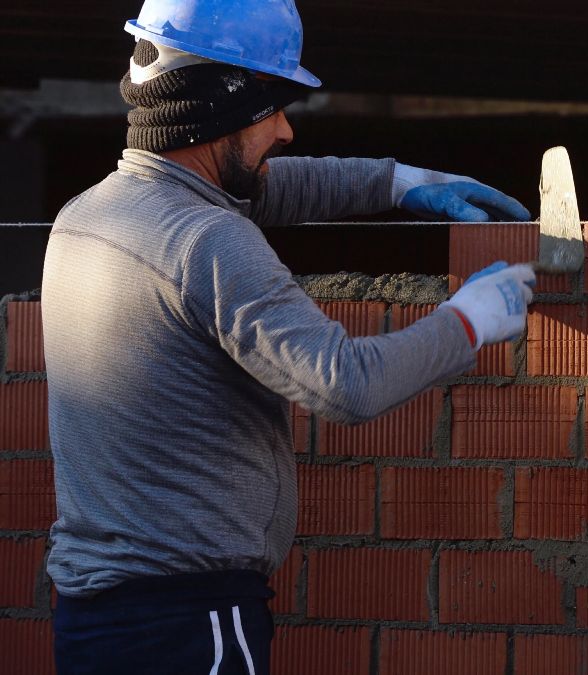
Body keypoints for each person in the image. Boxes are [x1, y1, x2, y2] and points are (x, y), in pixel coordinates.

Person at [40, 0, 535, 672]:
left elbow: (271, 189)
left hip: (97, 617)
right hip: (187, 621)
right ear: (219, 104)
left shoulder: (90, 214)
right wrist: (474, 317)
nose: (285, 131)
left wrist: (400, 182)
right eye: (270, 108)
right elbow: (345, 383)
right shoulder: (209, 241)